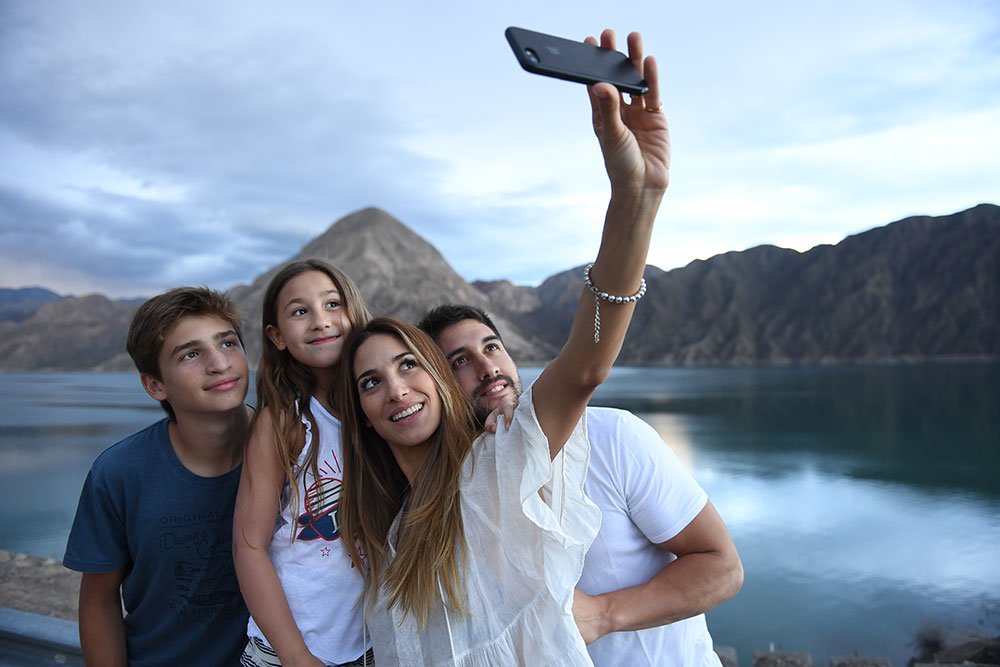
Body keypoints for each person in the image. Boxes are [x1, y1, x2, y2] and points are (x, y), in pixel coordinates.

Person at [335, 28, 669, 666]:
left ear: (436, 383)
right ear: (364, 415)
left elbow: (586, 364)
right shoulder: (393, 538)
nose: (396, 388)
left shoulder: (500, 468)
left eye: (410, 365)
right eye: (370, 381)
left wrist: (637, 197)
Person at [419, 304, 744, 666]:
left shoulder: (613, 437)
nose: (488, 368)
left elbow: (723, 567)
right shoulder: (451, 495)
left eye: (492, 347)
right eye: (460, 361)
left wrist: (605, 614)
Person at [63, 286, 252, 666]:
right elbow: (99, 601)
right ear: (155, 385)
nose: (219, 364)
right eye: (191, 354)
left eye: (228, 344)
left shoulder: (293, 450)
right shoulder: (120, 473)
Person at [232, 259, 374, 667]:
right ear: (276, 336)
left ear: (354, 314)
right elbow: (249, 546)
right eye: (300, 311)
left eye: (333, 304)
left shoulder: (383, 411)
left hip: (370, 648)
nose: (320, 321)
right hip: (287, 653)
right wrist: (295, 656)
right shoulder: (283, 423)